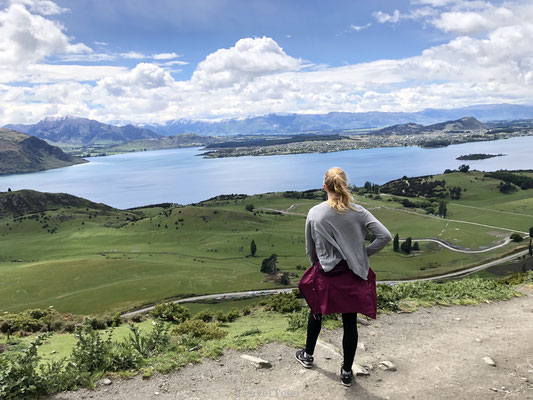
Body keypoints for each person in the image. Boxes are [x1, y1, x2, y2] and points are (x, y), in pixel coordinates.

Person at [296, 167, 392, 387]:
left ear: (324, 187)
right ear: (345, 185)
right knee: (350, 323)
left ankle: (308, 356)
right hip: (353, 274)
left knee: (316, 313)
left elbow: (310, 249)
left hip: (327, 274)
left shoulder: (315, 213)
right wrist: (361, 255)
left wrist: (317, 270)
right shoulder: (359, 212)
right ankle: (347, 372)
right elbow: (385, 236)